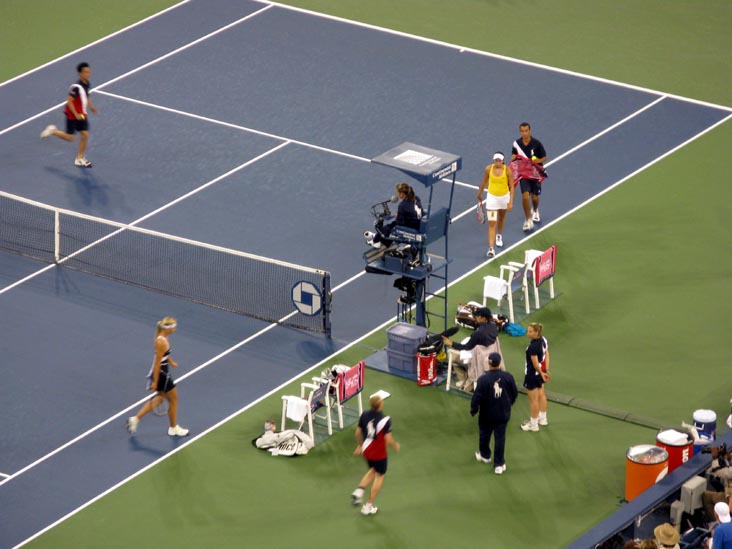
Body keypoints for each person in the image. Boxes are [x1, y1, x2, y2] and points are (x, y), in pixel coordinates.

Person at [126, 317, 189, 437]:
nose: (175, 329)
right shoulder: (161, 341)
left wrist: (171, 361)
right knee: (174, 400)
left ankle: (135, 419)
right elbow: (157, 363)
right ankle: (173, 428)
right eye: (174, 327)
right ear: (168, 328)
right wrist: (155, 382)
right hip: (161, 374)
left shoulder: (163, 338)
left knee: (160, 399)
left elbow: (165, 354)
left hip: (163, 372)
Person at [40, 62, 98, 168]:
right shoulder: (75, 87)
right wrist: (75, 114)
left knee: (85, 135)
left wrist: (91, 107)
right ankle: (53, 131)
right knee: (70, 138)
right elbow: (69, 101)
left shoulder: (87, 84)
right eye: (86, 72)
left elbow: (86, 96)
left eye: (89, 72)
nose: (88, 74)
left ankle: (79, 158)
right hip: (72, 115)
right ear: (80, 74)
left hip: (81, 114)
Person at [351, 395, 400, 516]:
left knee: (373, 470)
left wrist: (359, 446)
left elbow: (357, 432)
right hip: (379, 453)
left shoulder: (364, 414)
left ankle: (359, 491)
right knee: (379, 476)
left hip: (367, 450)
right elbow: (388, 439)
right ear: (380, 405)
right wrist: (395, 445)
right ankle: (368, 506)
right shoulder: (385, 420)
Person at [471, 352, 517, 475]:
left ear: (489, 363)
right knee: (500, 438)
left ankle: (485, 455)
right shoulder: (508, 377)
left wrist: (474, 410)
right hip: (503, 414)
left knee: (484, 434)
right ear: (499, 363)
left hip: (487, 414)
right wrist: (508, 405)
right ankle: (499, 464)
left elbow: (476, 397)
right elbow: (514, 394)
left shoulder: (483, 379)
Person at [442, 306, 499, 391]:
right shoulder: (494, 327)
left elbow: (466, 347)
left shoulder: (478, 333)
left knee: (453, 357)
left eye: (477, 316)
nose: (475, 318)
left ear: (482, 317)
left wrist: (451, 343)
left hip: (478, 360)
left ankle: (463, 379)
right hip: (488, 357)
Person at [476, 151, 515, 258]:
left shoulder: (507, 171)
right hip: (492, 198)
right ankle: (491, 248)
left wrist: (510, 202)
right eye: (496, 160)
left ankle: (499, 236)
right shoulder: (488, 169)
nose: (497, 162)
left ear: (503, 161)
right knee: (492, 223)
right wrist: (479, 194)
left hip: (504, 198)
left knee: (501, 218)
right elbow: (484, 182)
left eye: (499, 160)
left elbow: (512, 187)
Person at [511, 122, 547, 231]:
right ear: (520, 131)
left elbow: (544, 158)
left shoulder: (537, 144)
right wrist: (513, 160)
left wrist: (536, 161)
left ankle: (535, 210)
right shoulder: (516, 144)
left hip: (535, 173)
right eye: (522, 131)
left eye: (526, 131)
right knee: (525, 196)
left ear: (529, 131)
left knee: (534, 197)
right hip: (523, 174)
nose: (524, 133)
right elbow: (514, 155)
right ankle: (528, 219)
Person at [365, 182, 423, 248]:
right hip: (417, 223)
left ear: (402, 194)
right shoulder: (416, 198)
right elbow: (416, 210)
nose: (398, 195)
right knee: (392, 224)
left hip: (410, 227)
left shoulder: (402, 205)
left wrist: (397, 216)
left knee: (386, 227)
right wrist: (403, 214)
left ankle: (376, 241)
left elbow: (399, 222)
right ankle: (379, 238)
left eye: (398, 193)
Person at [520, 322, 550, 432]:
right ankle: (543, 419)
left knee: (533, 400)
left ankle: (533, 425)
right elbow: (547, 355)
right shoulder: (544, 340)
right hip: (541, 372)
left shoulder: (532, 347)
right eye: (528, 331)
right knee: (541, 395)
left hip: (532, 375)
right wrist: (545, 370)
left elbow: (535, 364)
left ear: (537, 332)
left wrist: (542, 373)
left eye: (530, 331)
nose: (528, 333)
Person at [703, 445, 732, 520]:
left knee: (706, 496)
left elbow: (717, 472)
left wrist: (715, 458)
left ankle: (716, 521)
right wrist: (729, 458)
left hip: (730, 499)